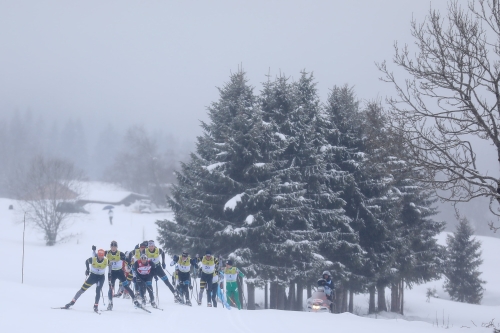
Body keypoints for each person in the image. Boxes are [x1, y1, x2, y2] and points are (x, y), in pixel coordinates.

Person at [63, 247, 140, 312]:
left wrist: (109, 274)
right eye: (99, 255)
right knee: (82, 289)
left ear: (103, 256)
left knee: (98, 289)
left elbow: (110, 265)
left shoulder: (106, 260)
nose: (100, 257)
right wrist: (87, 270)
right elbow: (87, 261)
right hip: (92, 276)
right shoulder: (93, 259)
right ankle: (72, 302)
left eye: (102, 255)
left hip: (101, 278)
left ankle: (96, 305)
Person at [105, 240, 139, 310]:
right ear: (110, 247)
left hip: (119, 272)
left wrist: (129, 264)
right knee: (111, 288)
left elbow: (127, 260)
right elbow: (98, 256)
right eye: (112, 247)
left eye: (114, 247)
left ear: (116, 247)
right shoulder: (107, 253)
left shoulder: (120, 253)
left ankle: (135, 300)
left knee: (126, 286)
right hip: (111, 273)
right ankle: (110, 303)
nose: (113, 248)